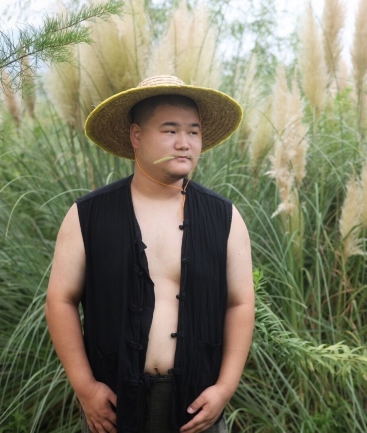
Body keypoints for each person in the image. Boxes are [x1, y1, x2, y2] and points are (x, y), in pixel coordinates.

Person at [45, 75, 255, 433]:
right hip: (113, 410)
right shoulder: (88, 215)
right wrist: (85, 387)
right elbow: (60, 300)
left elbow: (240, 303)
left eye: (193, 131)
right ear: (137, 136)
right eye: (170, 130)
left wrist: (225, 388)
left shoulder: (224, 217)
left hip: (196, 410)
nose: (184, 143)